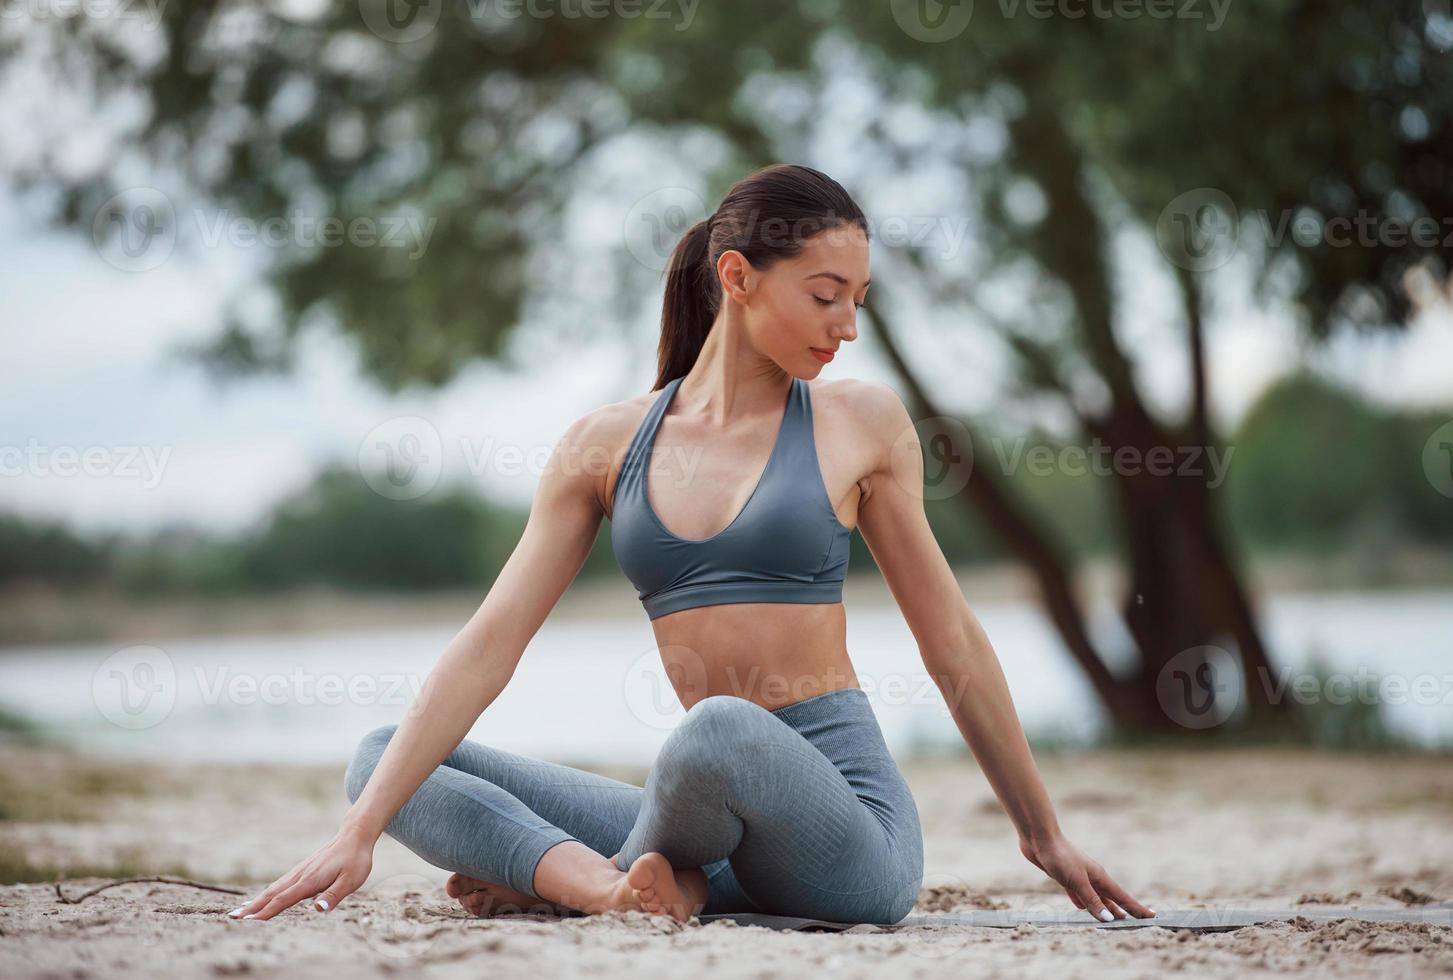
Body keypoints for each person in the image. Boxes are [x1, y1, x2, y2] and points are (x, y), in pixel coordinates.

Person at [225, 163, 1156, 926]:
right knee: (381, 762)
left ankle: (592, 880)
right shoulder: (604, 445)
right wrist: (360, 831)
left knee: (717, 731)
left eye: (859, 299)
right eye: (827, 296)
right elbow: (490, 640)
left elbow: (950, 638)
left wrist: (1042, 834)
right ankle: (611, 887)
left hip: (850, 834)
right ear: (737, 276)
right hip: (694, 810)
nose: (850, 326)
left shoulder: (861, 426)